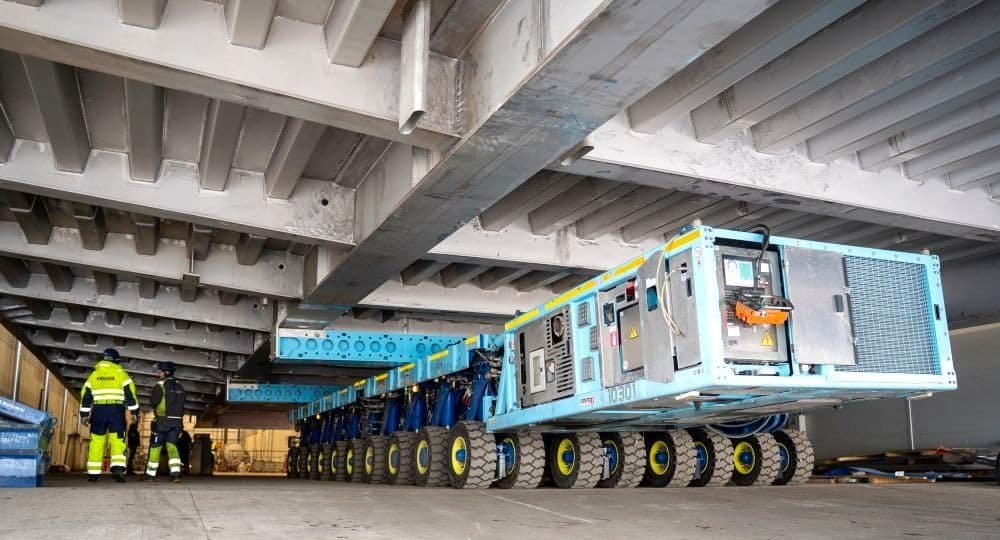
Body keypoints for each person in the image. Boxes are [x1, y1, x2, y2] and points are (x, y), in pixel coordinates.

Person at [79, 348, 140, 483]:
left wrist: (84, 415)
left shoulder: (93, 376)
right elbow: (131, 395)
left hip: (98, 411)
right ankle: (118, 471)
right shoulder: (121, 374)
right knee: (118, 441)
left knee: (96, 442)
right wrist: (135, 413)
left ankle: (93, 474)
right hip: (116, 411)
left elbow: (85, 397)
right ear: (116, 360)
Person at [142, 362, 186, 483]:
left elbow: (154, 402)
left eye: (160, 371)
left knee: (156, 447)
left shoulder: (160, 385)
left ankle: (151, 475)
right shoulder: (180, 387)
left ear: (166, 372)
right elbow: (182, 406)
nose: (158, 373)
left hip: (162, 421)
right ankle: (175, 474)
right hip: (176, 423)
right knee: (172, 447)